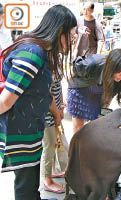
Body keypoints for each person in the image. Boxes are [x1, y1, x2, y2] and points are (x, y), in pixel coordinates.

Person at [0, 5, 77, 200]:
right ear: (60, 31)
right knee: (26, 188)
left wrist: (56, 113)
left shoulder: (44, 52)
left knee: (31, 186)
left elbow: (44, 91)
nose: (74, 39)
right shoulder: (33, 53)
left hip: (32, 130)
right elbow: (5, 102)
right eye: (72, 34)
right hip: (20, 134)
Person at [66, 48, 121, 134]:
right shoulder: (92, 63)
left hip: (97, 91)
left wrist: (103, 107)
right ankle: (75, 146)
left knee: (96, 122)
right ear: (112, 66)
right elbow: (72, 74)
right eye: (120, 70)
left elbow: (110, 94)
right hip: (80, 90)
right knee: (78, 126)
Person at [40, 77, 65, 194]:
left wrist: (61, 108)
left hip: (54, 110)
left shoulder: (55, 61)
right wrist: (57, 115)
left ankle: (53, 171)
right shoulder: (45, 64)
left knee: (53, 142)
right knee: (49, 145)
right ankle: (47, 180)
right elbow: (48, 95)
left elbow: (58, 88)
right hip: (47, 113)